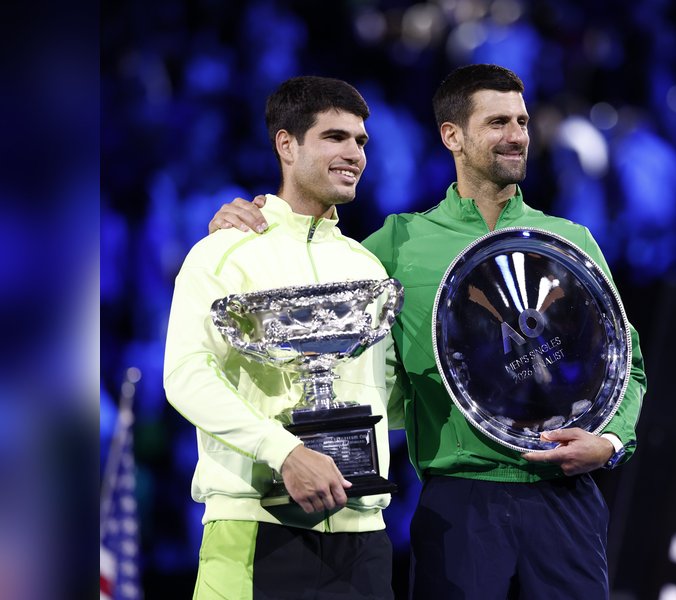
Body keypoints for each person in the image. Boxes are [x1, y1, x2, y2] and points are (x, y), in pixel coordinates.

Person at [208, 64, 647, 600]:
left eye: (523, 121)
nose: (516, 136)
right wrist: (260, 221)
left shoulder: (567, 240)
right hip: (460, 507)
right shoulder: (397, 243)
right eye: (498, 123)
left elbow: (627, 361)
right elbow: (314, 283)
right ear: (452, 136)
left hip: (567, 497)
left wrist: (610, 442)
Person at [164, 75, 404, 600]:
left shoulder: (365, 266)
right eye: (335, 137)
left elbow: (383, 398)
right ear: (287, 145)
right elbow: (185, 376)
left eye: (361, 141)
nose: (355, 154)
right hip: (254, 526)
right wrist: (285, 452)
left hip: (364, 538)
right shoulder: (224, 250)